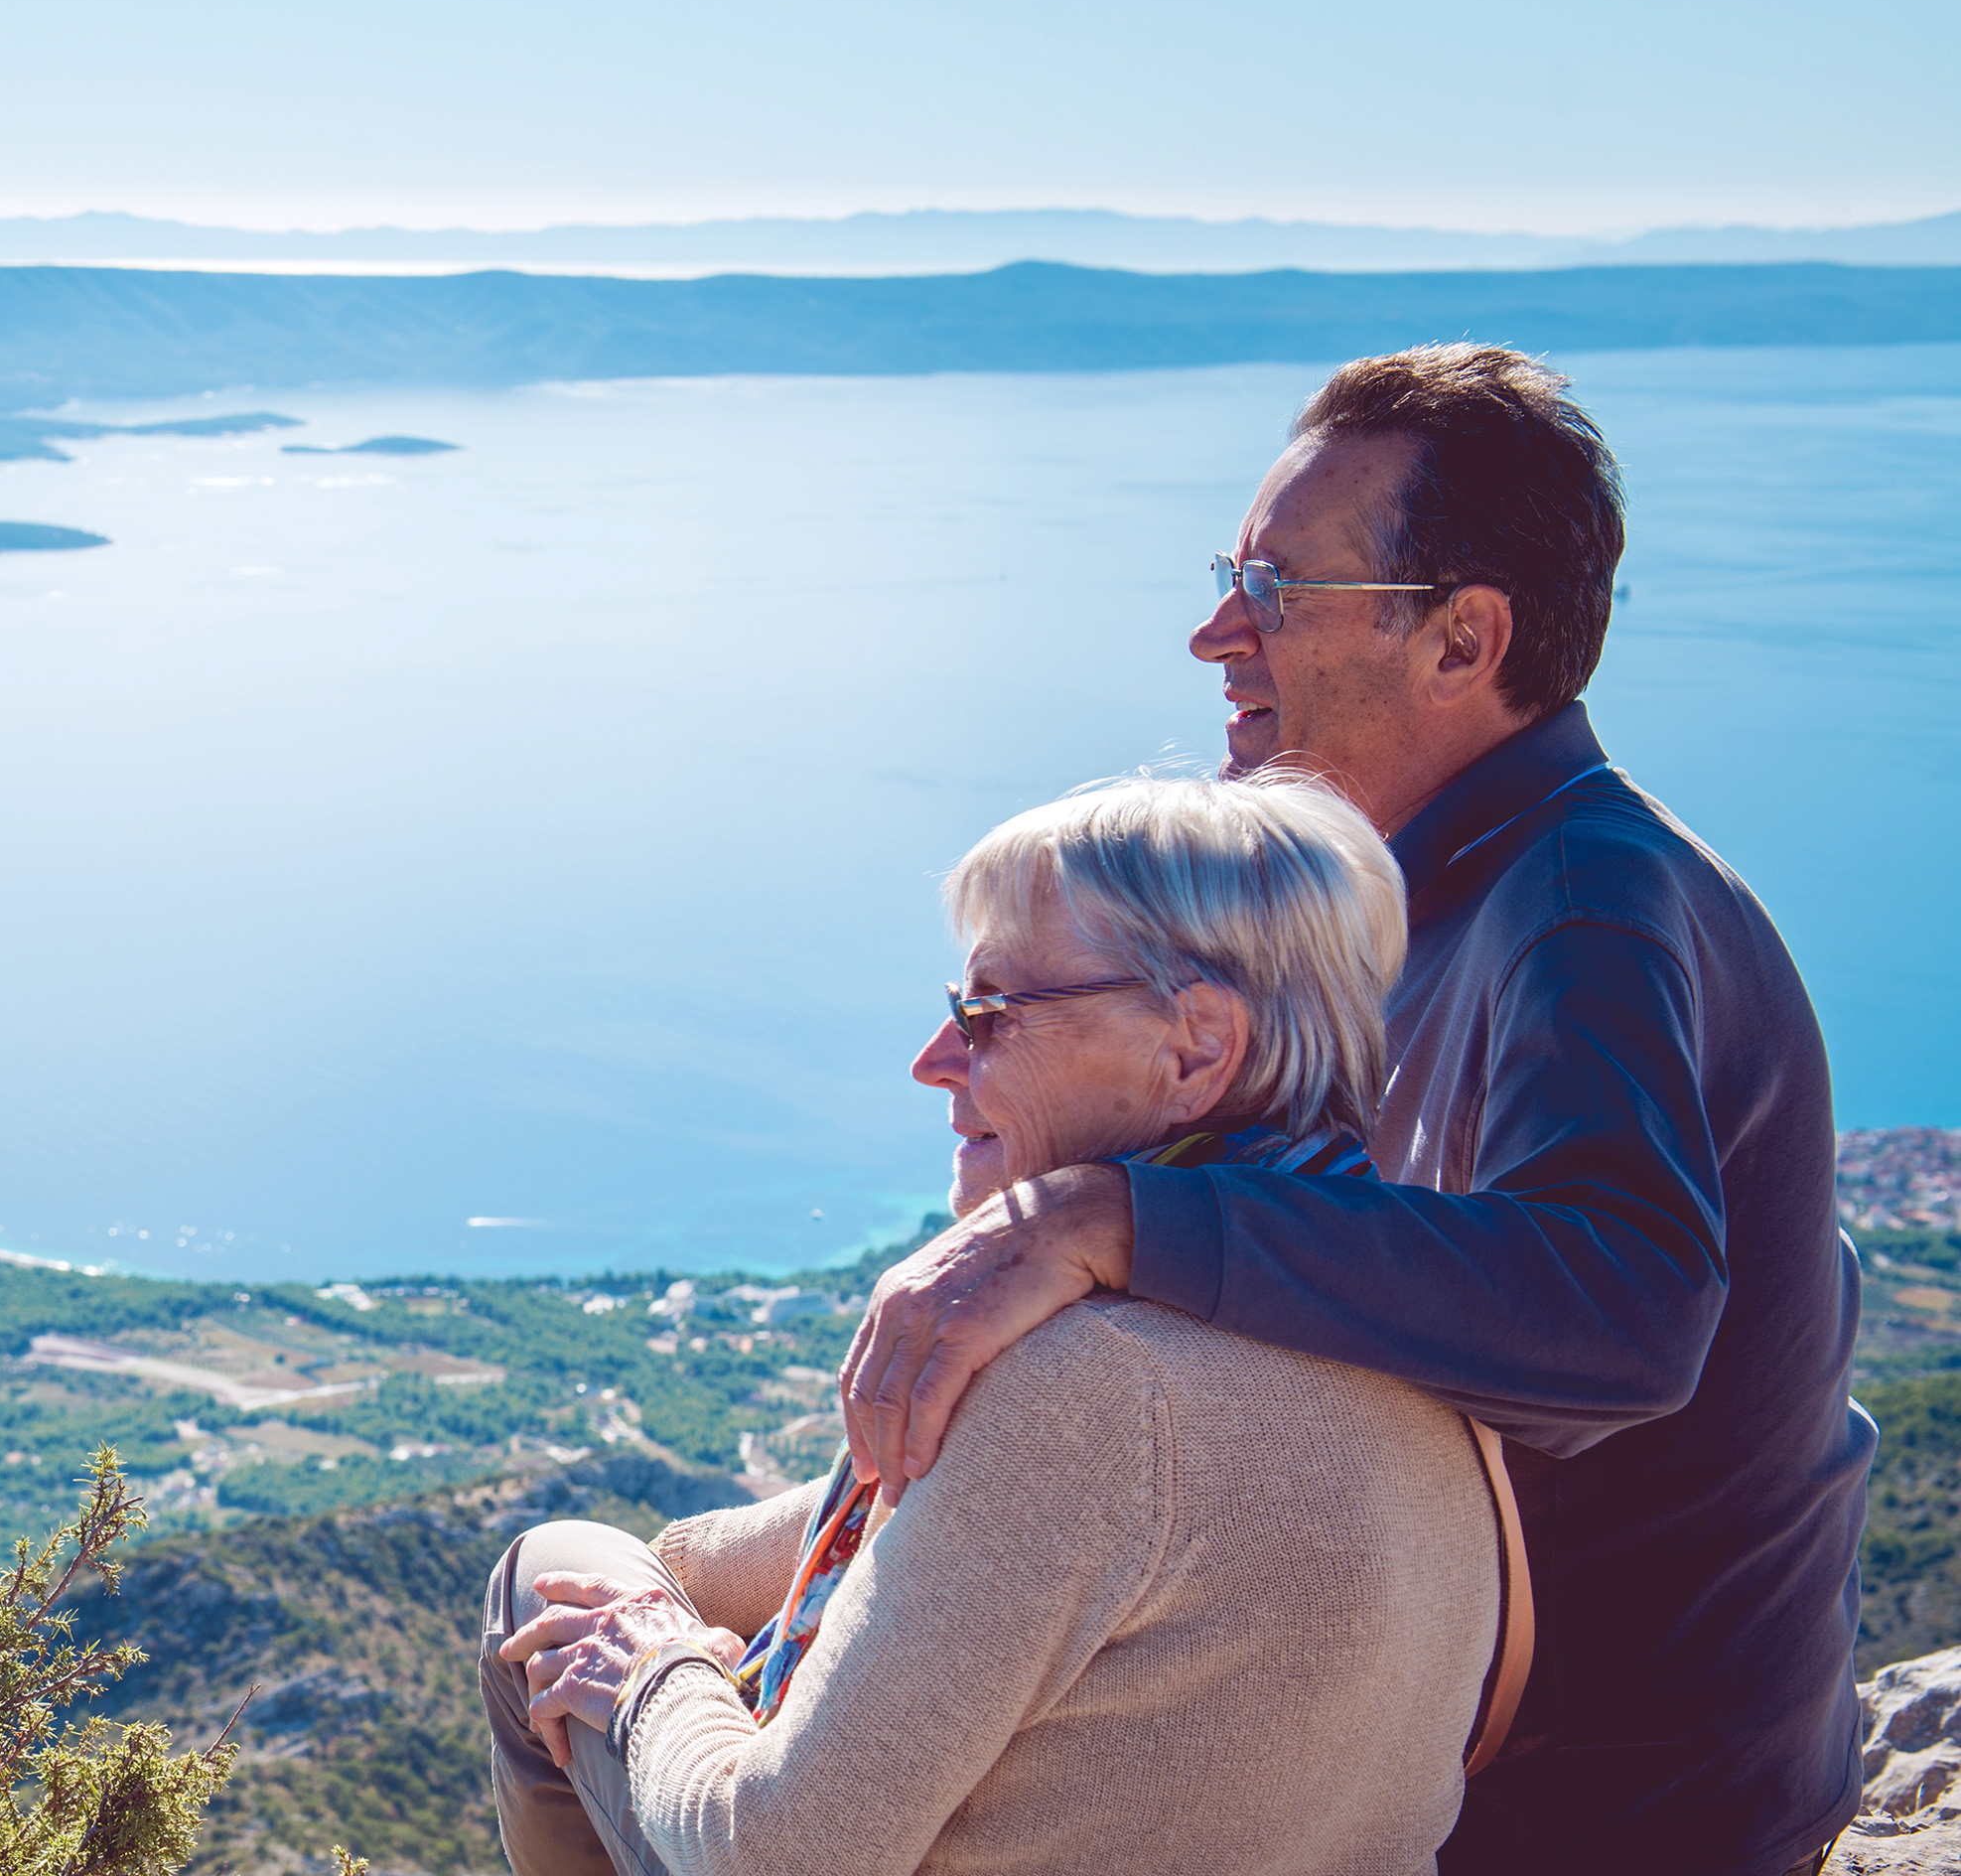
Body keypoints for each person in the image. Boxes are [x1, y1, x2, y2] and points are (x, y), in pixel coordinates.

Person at [837, 345, 1872, 1873]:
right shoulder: (1446, 894)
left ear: (1464, 639)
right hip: (1506, 1755)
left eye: (1273, 588)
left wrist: (1112, 1217)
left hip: (1601, 1818)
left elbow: (1627, 1314)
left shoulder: (1584, 910)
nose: (1215, 634)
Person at [485, 774, 1516, 1876]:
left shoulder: (1093, 1391)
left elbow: (774, 1856)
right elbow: (930, 1539)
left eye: (989, 1012)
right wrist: (683, 1586)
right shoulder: (1421, 1344)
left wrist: (657, 1673)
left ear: (1195, 1046)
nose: (933, 1058)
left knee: (548, 1578)